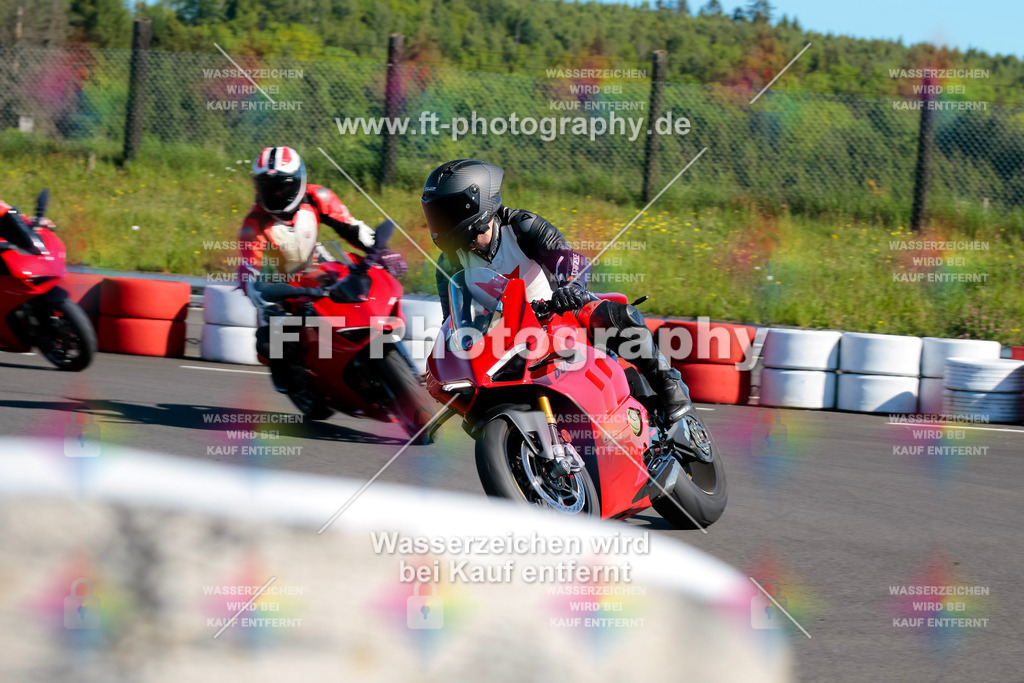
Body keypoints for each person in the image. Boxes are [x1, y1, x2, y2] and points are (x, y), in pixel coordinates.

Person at [420, 158, 691, 424]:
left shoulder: (521, 226)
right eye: (436, 214)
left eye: (448, 212)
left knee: (614, 316)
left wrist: (570, 287)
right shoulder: (449, 262)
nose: (441, 223)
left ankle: (668, 383)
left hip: (558, 315)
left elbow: (570, 259)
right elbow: (453, 322)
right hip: (506, 337)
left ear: (478, 202)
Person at [237, 146, 406, 376]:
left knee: (362, 289)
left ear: (298, 181)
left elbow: (351, 227)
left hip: (318, 267)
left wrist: (383, 251)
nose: (276, 193)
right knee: (270, 347)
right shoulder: (253, 226)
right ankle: (303, 381)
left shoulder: (318, 197)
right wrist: (269, 306)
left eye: (283, 186)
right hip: (281, 288)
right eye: (269, 187)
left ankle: (391, 355)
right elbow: (251, 277)